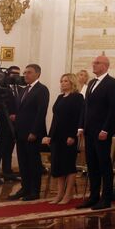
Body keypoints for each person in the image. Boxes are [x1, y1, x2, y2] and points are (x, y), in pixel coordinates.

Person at [78, 55, 115, 210]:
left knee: (104, 164)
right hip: (89, 130)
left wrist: (105, 129)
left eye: (97, 63)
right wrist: (82, 126)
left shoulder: (112, 83)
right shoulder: (91, 82)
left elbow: (113, 108)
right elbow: (86, 107)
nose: (93, 65)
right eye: (94, 62)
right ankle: (93, 196)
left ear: (105, 66)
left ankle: (106, 198)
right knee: (92, 164)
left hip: (102, 131)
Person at [12, 64, 49, 201]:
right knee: (23, 162)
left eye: (29, 72)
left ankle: (34, 190)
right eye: (25, 72)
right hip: (20, 132)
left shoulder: (42, 90)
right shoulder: (23, 90)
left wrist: (34, 131)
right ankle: (25, 188)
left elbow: (41, 112)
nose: (25, 75)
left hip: (32, 133)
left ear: (37, 74)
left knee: (33, 162)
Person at [45, 73, 83, 204]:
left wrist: (73, 135)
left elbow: (78, 118)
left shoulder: (78, 97)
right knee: (58, 166)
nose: (62, 83)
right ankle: (60, 194)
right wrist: (50, 136)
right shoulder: (60, 97)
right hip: (57, 135)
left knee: (68, 166)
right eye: (61, 81)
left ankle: (68, 194)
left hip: (69, 136)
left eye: (66, 81)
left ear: (72, 82)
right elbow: (55, 118)